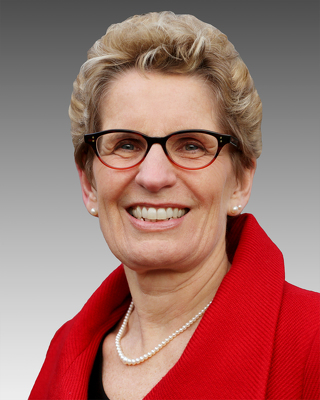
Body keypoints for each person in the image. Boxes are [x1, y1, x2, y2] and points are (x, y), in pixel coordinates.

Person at [29, 11, 319, 400]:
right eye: (127, 144)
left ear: (241, 180)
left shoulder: (311, 344)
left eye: (191, 145)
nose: (153, 176)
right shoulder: (63, 353)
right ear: (89, 183)